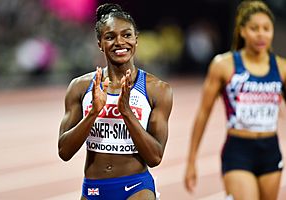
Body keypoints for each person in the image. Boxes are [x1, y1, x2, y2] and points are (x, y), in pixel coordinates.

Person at [58, 3, 173, 200]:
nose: (120, 42)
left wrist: (126, 111)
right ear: (99, 43)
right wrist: (93, 113)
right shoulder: (80, 87)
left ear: (136, 39)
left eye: (126, 35)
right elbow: (64, 151)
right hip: (93, 189)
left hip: (136, 186)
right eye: (110, 37)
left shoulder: (157, 90)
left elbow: (155, 157)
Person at [184, 0, 286, 199]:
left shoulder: (281, 67)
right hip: (239, 150)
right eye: (254, 28)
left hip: (270, 150)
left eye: (266, 28)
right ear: (242, 31)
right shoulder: (224, 65)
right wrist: (191, 160)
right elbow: (203, 113)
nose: (261, 34)